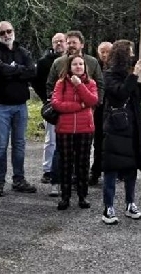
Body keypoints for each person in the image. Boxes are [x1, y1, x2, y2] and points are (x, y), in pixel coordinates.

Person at [100, 40, 141, 224]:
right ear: (122, 54)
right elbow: (120, 93)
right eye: (130, 52)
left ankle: (130, 203)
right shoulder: (109, 74)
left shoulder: (130, 74)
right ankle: (108, 207)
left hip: (133, 125)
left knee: (131, 166)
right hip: (116, 127)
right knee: (111, 166)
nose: (133, 55)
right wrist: (134, 75)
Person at [0, 21, 37, 197]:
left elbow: (31, 72)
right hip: (0, 106)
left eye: (9, 31)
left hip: (20, 106)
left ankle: (19, 179)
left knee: (19, 144)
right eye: (2, 33)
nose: (6, 35)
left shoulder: (23, 52)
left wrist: (11, 70)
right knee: (0, 146)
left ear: (13, 31)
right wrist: (17, 70)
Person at [51, 54, 98, 210]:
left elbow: (92, 101)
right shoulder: (61, 83)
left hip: (85, 129)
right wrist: (80, 106)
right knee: (65, 163)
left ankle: (82, 196)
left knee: (83, 163)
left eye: (81, 64)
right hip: (65, 129)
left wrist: (79, 85)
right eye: (75, 64)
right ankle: (65, 197)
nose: (78, 67)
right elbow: (57, 104)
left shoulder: (90, 83)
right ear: (69, 67)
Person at [31, 33, 66, 194]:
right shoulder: (44, 62)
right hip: (52, 105)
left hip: (70, 105)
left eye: (61, 41)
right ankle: (48, 169)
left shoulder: (74, 61)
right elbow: (36, 81)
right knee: (50, 139)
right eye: (55, 41)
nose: (59, 44)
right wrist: (45, 98)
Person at [90, 41, 112, 186]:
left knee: (111, 142)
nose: (104, 54)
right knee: (97, 142)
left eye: (107, 51)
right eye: (102, 51)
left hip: (111, 109)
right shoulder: (93, 66)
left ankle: (112, 170)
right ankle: (95, 171)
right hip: (97, 109)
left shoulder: (117, 67)